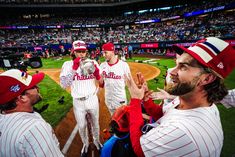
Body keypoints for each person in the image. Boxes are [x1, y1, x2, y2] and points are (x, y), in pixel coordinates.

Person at [125, 37, 235, 157]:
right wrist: (146, 100)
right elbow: (163, 114)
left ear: (207, 78)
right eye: (176, 64)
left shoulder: (183, 132)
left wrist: (135, 100)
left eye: (183, 67)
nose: (172, 72)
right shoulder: (190, 100)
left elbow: (139, 148)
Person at [0, 69, 64, 156]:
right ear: (22, 97)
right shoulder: (33, 128)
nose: (38, 88)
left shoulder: (3, 117)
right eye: (33, 86)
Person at [60, 40, 102, 156]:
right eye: (78, 52)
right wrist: (74, 68)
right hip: (78, 102)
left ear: (86, 52)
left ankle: (97, 140)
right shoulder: (67, 65)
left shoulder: (92, 63)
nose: (81, 54)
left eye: (83, 51)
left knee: (95, 123)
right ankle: (85, 143)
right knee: (82, 125)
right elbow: (64, 85)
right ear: (73, 51)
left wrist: (97, 73)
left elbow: (101, 81)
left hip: (92, 98)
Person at [99, 42, 131, 115]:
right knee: (113, 119)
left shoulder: (123, 65)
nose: (103, 55)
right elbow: (101, 84)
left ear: (112, 51)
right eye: (103, 53)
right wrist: (98, 77)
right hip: (108, 99)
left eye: (105, 53)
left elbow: (129, 84)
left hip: (120, 100)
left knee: (123, 120)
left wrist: (132, 98)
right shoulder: (102, 65)